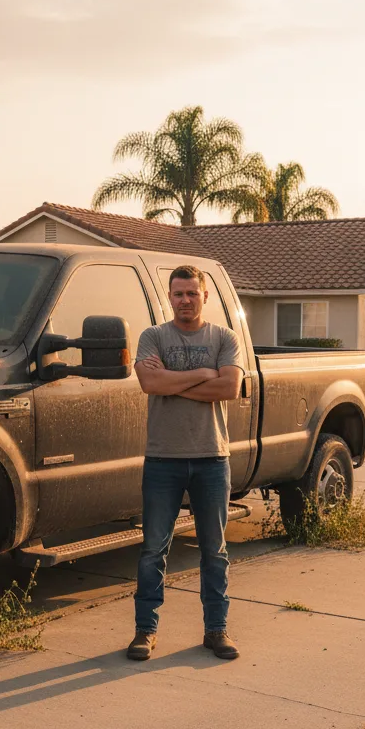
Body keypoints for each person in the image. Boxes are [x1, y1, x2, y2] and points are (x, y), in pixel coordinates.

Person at [127, 264, 246, 661]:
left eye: (192, 293)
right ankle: (145, 632)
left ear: (205, 296)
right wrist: (201, 375)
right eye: (178, 294)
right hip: (163, 458)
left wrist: (175, 382)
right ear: (169, 296)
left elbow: (229, 386)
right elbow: (150, 383)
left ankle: (216, 631)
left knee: (214, 551)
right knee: (152, 550)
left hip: (212, 458)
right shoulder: (153, 336)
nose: (185, 300)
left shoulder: (224, 337)